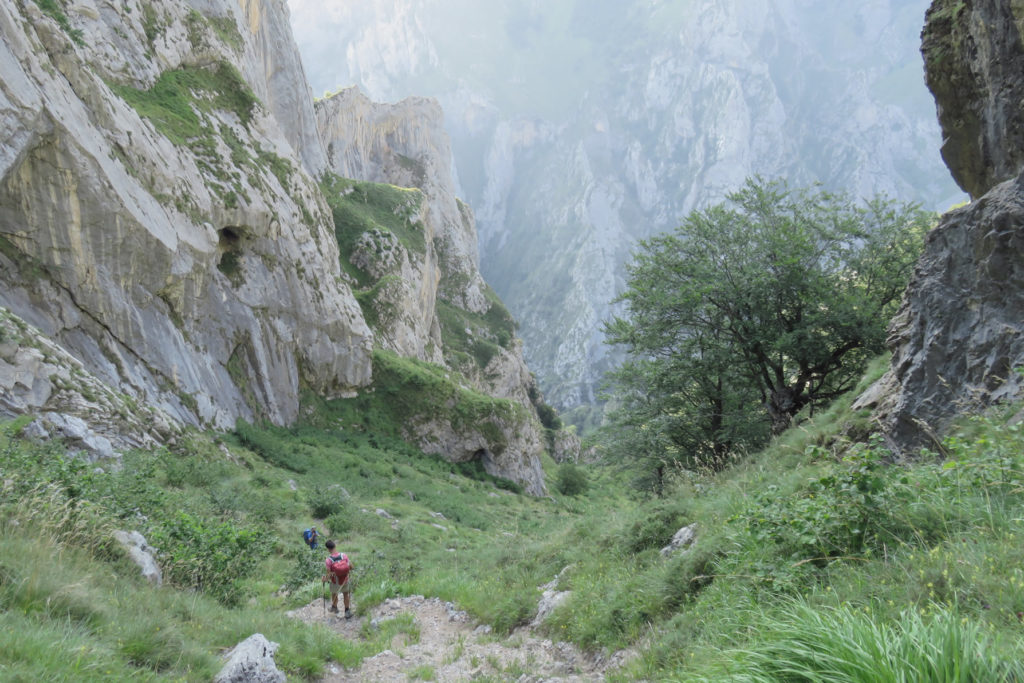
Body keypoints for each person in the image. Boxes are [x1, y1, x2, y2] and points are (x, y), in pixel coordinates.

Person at [323, 539, 352, 618]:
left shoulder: (328, 560)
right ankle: (347, 611)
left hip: (335, 581)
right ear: (335, 546)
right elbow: (351, 567)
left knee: (334, 593)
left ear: (328, 549)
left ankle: (335, 607)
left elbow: (329, 575)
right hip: (345, 579)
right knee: (346, 594)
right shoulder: (344, 555)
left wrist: (325, 579)